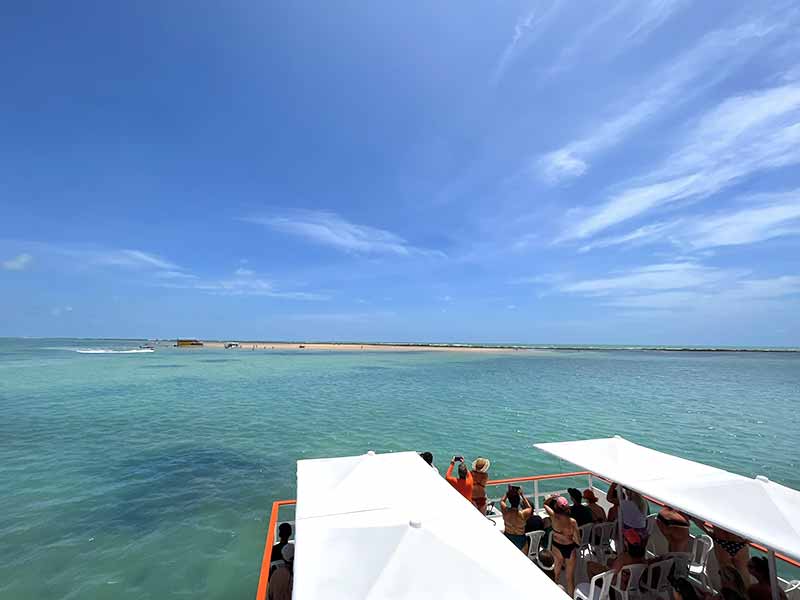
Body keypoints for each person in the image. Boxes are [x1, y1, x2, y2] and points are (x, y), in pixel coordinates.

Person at [692, 520, 750, 591]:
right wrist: (749, 539)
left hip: (721, 542)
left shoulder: (715, 510)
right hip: (739, 543)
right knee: (745, 579)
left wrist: (708, 532)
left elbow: (697, 521)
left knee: (725, 577)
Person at [545, 495, 581, 596]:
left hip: (557, 547)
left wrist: (553, 497)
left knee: (555, 575)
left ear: (556, 507)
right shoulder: (572, 521)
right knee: (570, 579)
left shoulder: (553, 517)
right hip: (570, 548)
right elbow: (578, 540)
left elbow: (545, 504)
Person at [500, 485, 533, 551]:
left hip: (508, 537)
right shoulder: (523, 514)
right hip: (520, 539)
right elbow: (530, 508)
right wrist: (522, 495)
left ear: (509, 501)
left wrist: (507, 493)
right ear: (518, 502)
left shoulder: (505, 512)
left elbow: (502, 501)